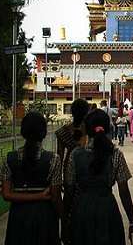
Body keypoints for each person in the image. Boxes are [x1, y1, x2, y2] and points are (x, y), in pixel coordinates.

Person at [66, 110, 133, 244]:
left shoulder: (75, 155)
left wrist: (65, 219)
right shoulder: (116, 154)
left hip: (82, 208)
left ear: (86, 129)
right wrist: (132, 222)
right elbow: (124, 191)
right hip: (107, 209)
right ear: (108, 128)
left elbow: (69, 189)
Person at [2, 113, 63, 245]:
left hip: (18, 216)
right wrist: (63, 217)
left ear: (23, 132)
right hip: (44, 216)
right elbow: (56, 197)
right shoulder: (53, 159)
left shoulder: (10, 158)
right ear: (44, 133)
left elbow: (6, 194)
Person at [55, 99, 89, 245]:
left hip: (69, 167)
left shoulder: (63, 131)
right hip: (87, 167)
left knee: (68, 203)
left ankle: (67, 234)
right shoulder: (89, 129)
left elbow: (59, 156)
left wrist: (59, 178)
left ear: (72, 112)